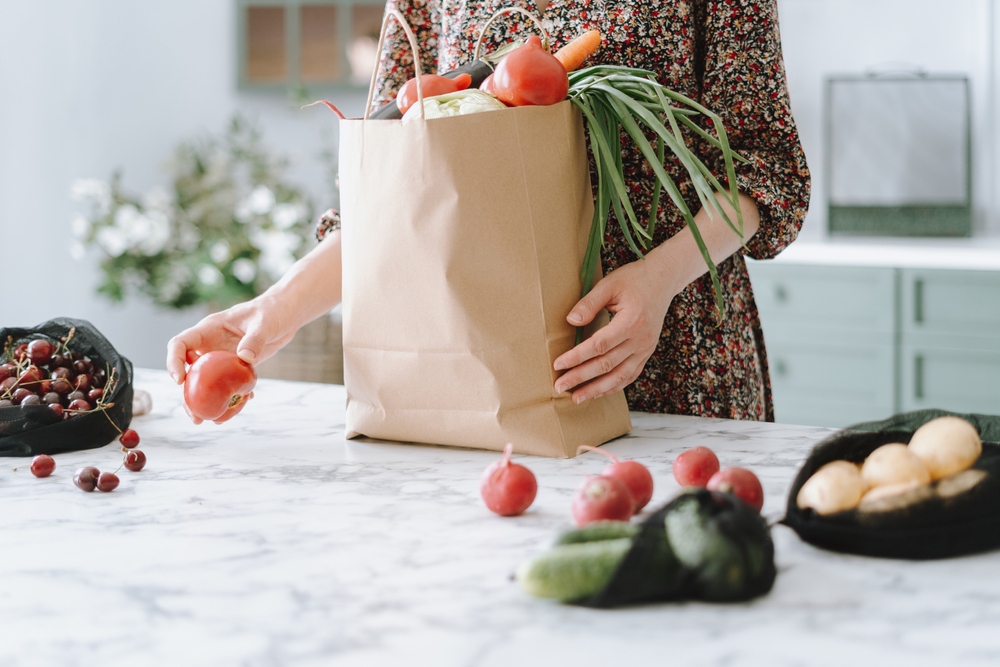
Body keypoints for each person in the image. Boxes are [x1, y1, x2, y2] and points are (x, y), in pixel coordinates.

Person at [167, 0, 809, 423]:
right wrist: (271, 312)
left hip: (670, 353)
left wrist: (659, 279)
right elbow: (398, 182)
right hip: (479, 365)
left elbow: (767, 168)